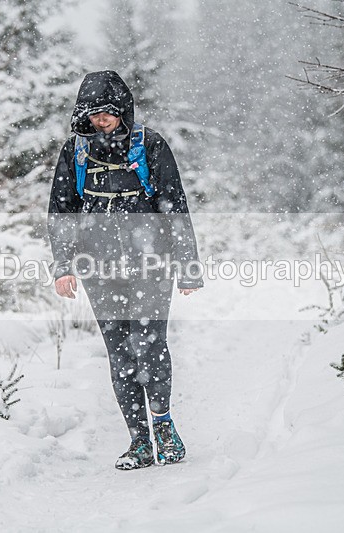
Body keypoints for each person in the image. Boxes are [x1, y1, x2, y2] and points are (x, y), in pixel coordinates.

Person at [47, 70, 203, 470]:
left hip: (151, 264)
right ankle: (138, 441)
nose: (100, 121)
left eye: (107, 114)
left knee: (149, 345)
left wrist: (187, 266)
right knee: (119, 354)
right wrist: (64, 266)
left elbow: (174, 205)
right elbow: (62, 211)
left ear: (122, 110)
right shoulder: (76, 152)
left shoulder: (149, 145)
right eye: (93, 115)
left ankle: (164, 427)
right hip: (99, 269)